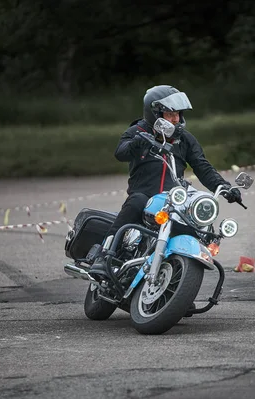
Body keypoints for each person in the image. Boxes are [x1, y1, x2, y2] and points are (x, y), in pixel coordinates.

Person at [89, 85, 241, 275]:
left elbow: (202, 167)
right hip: (144, 194)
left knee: (198, 225)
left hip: (174, 198)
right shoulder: (137, 131)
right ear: (154, 113)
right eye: (170, 114)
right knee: (136, 203)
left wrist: (224, 187)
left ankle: (178, 285)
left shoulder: (184, 139)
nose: (176, 119)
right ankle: (104, 256)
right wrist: (136, 144)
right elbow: (120, 153)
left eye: (177, 113)